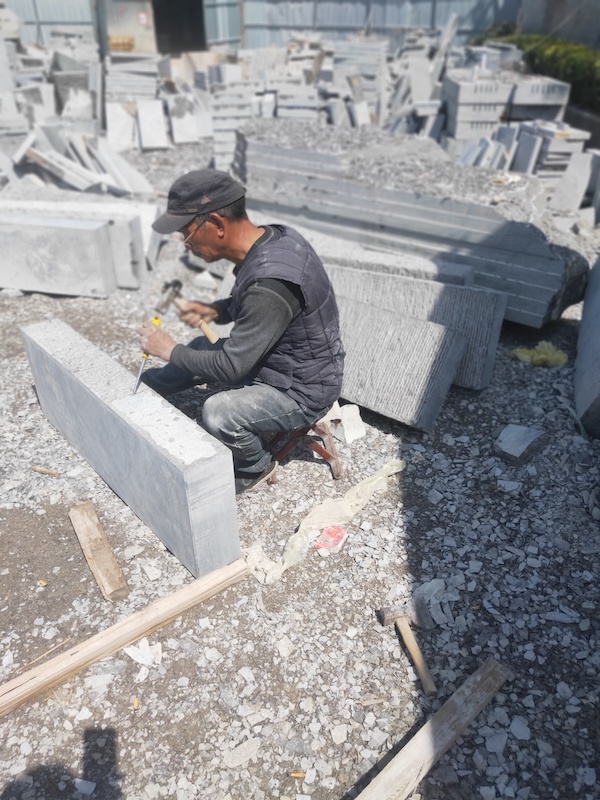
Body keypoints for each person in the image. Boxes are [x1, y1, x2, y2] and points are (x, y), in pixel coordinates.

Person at [138, 168, 345, 494]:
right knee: (200, 346)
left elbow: (232, 367)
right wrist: (216, 310)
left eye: (186, 235)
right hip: (286, 362)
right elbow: (254, 305)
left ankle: (256, 466)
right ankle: (144, 390)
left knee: (219, 413)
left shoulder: (270, 282)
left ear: (217, 224)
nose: (186, 246)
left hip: (302, 391)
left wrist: (168, 350)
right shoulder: (275, 240)